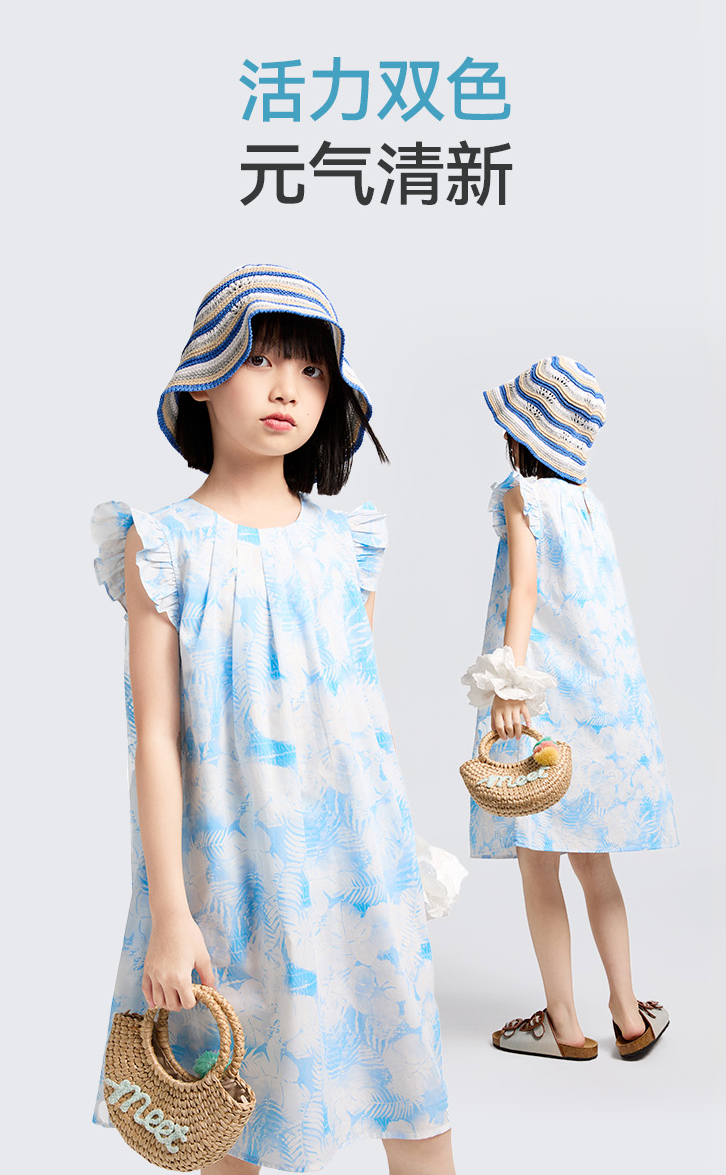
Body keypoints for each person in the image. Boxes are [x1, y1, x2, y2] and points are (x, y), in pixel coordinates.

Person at [90, 264, 456, 1173]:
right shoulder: (162, 544)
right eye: (260, 359)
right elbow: (156, 741)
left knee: (414, 1100)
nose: (288, 387)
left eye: (311, 368)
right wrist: (170, 912)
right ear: (204, 376)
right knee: (232, 1120)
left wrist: (397, 862)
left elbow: (354, 729)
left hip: (357, 868)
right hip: (229, 879)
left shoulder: (345, 545)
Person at [462, 356, 677, 1062]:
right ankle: (628, 1017)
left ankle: (565, 1027)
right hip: (599, 710)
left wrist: (509, 683)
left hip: (543, 707)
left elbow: (524, 591)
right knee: (596, 868)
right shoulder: (589, 505)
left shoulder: (522, 496)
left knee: (539, 866)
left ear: (522, 435)